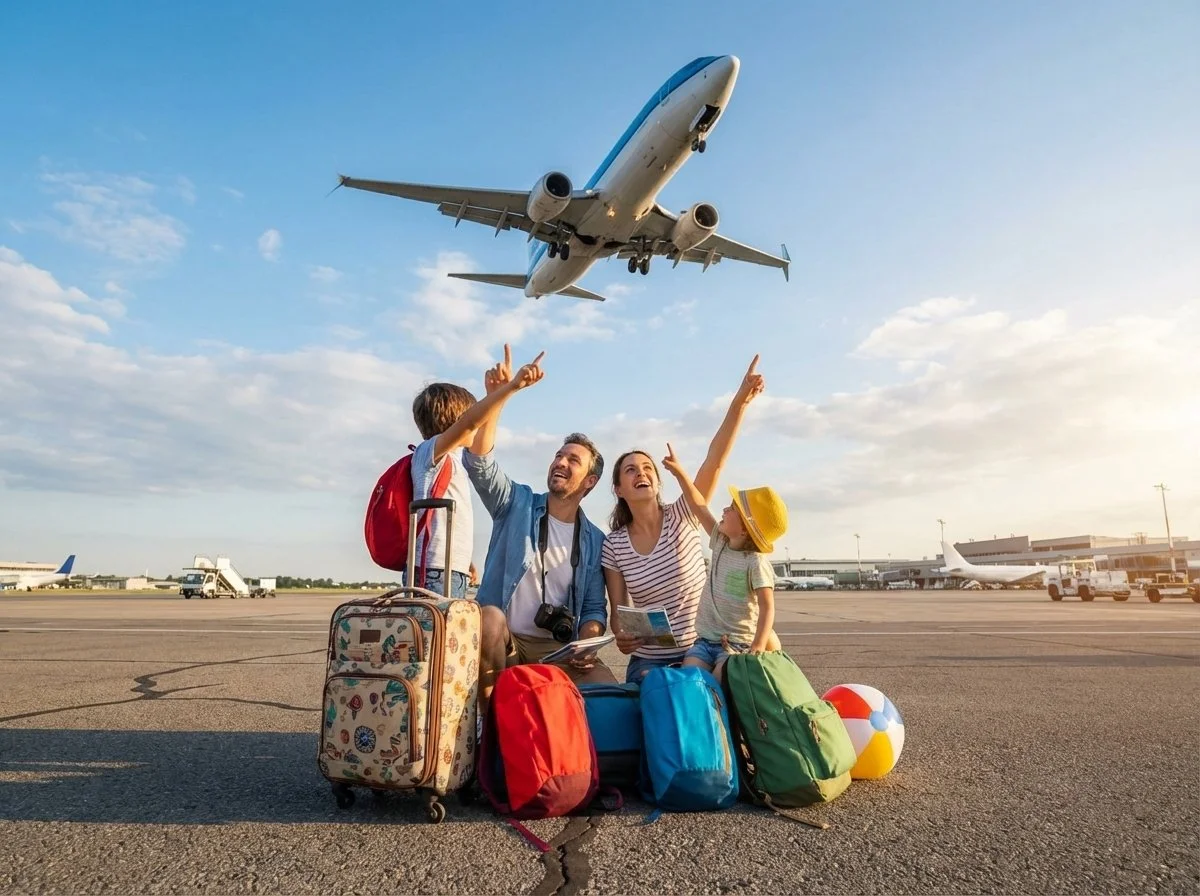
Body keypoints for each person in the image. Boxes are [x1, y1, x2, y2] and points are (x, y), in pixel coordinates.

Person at [462, 345, 616, 712]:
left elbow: (594, 608)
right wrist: (500, 395)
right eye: (558, 456)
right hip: (503, 641)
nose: (560, 462)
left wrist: (586, 644)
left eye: (572, 460)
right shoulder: (516, 504)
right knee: (490, 617)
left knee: (610, 691)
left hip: (554, 647)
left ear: (590, 481)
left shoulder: (594, 540)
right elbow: (479, 463)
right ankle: (489, 725)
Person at [602, 356, 765, 682]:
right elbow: (618, 613)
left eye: (648, 468)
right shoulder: (614, 545)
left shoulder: (684, 513)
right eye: (631, 470)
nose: (641, 473)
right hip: (649, 662)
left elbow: (715, 461)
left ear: (658, 482)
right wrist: (622, 636)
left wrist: (740, 403)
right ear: (619, 489)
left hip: (702, 650)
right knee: (652, 708)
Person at [407, 350, 545, 598]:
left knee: (445, 635)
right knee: (434, 637)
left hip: (447, 568)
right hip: (433, 571)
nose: (479, 424)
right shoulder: (430, 452)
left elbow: (482, 450)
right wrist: (511, 388)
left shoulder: (451, 458)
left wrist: (497, 396)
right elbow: (470, 424)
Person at [661, 442, 786, 679]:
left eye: (731, 509)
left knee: (721, 684)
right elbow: (698, 506)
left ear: (745, 529)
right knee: (691, 682)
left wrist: (758, 646)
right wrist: (680, 474)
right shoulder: (720, 541)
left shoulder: (755, 562)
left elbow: (767, 606)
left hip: (736, 645)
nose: (724, 510)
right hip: (704, 642)